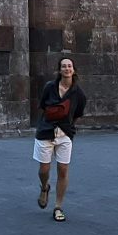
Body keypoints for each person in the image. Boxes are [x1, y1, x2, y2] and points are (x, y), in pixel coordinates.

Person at [33, 57, 87, 222]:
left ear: (74, 70)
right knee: (44, 170)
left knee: (63, 170)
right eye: (64, 66)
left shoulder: (78, 93)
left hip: (64, 134)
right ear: (59, 70)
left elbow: (78, 113)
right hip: (46, 131)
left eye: (69, 66)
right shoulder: (50, 87)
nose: (67, 69)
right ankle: (45, 187)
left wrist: (67, 127)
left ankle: (58, 207)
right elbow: (42, 105)